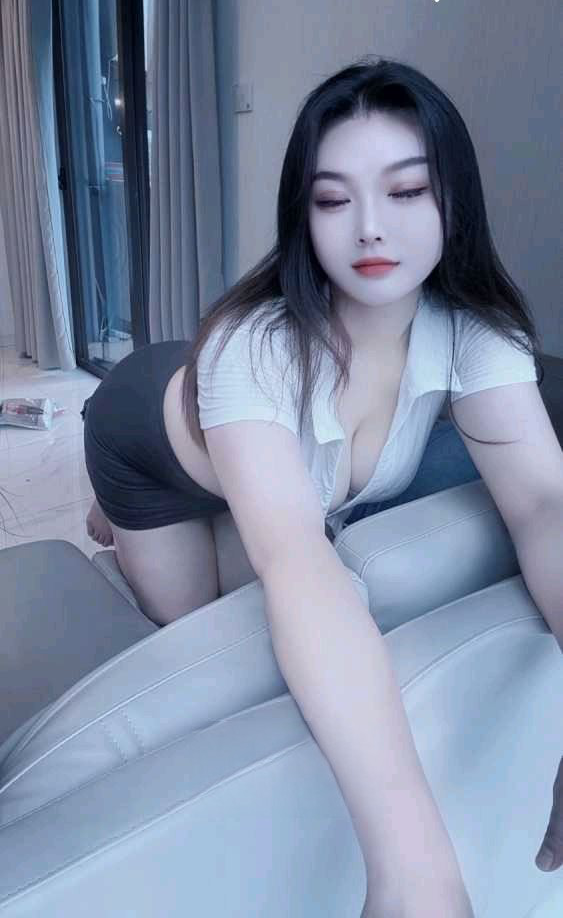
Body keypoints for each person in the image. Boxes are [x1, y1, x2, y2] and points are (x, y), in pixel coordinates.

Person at [82, 56, 562, 916]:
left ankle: (235, 469)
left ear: (453, 197)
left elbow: (543, 504)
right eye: (333, 201)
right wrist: (414, 868)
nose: (370, 229)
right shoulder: (255, 346)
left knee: (270, 511)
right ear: (301, 217)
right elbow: (299, 563)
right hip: (142, 440)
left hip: (237, 425)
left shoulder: (476, 334)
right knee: (192, 621)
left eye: (405, 191)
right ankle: (111, 509)